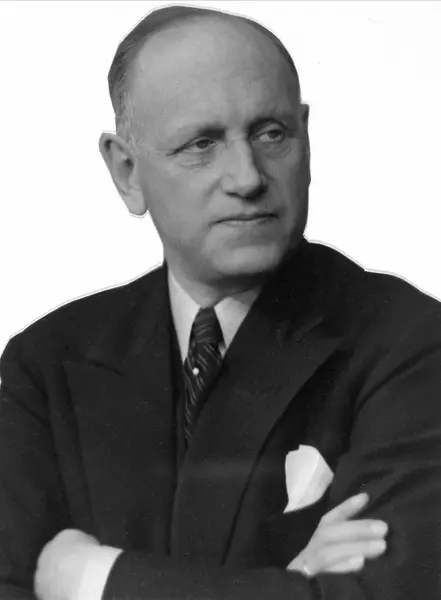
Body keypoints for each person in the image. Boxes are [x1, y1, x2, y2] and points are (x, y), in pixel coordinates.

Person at [0, 4, 440, 600]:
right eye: (201, 144)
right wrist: (289, 585)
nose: (247, 177)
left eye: (271, 133)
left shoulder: (412, 343)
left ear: (306, 138)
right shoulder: (44, 364)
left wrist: (93, 578)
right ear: (127, 171)